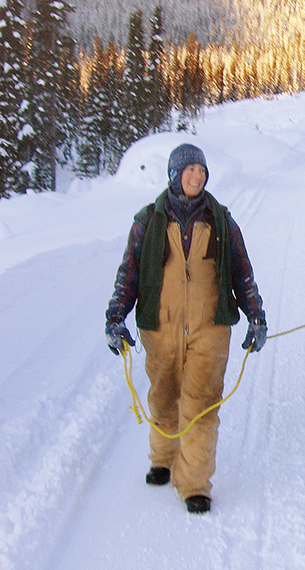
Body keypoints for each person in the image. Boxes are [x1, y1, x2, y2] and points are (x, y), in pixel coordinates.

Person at [105, 143, 267, 513]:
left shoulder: (221, 219)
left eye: (201, 170)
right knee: (163, 396)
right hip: (160, 326)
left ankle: (194, 484)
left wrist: (255, 315)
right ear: (174, 175)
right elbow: (128, 273)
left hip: (210, 327)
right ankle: (163, 457)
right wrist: (115, 316)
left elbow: (242, 272)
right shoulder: (148, 220)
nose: (196, 176)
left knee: (201, 405)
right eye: (189, 169)